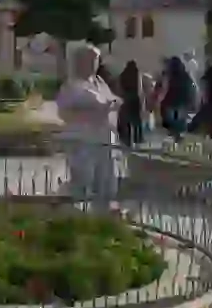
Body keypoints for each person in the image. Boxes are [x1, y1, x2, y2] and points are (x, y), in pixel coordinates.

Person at [55, 44, 121, 212]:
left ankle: (103, 217)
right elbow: (64, 112)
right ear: (79, 62)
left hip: (104, 139)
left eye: (96, 60)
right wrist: (94, 111)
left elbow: (113, 100)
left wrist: (109, 106)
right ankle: (70, 213)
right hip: (83, 139)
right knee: (83, 180)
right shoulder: (71, 86)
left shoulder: (100, 82)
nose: (93, 64)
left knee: (105, 181)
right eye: (89, 60)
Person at [158, 56, 197, 140]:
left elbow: (165, 87)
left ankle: (174, 136)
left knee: (172, 122)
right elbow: (192, 87)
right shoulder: (185, 75)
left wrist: (161, 98)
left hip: (171, 101)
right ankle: (178, 137)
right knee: (180, 121)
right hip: (182, 101)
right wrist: (192, 99)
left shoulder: (169, 75)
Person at [115, 61, 145, 147]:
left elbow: (119, 86)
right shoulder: (137, 74)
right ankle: (138, 138)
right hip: (136, 97)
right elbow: (140, 88)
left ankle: (127, 139)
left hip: (126, 97)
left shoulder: (123, 74)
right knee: (137, 120)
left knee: (127, 119)